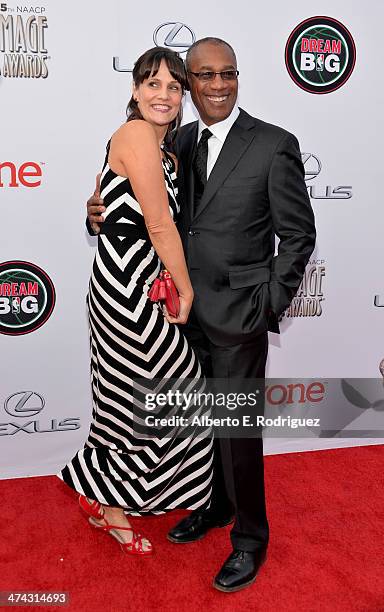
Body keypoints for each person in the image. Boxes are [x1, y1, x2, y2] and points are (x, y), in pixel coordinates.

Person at [87, 38, 316, 589]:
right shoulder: (177, 141)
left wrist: (268, 304)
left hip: (239, 315)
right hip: (179, 316)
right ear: (189, 85)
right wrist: (97, 213)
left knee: (238, 432)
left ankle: (250, 539)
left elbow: (299, 236)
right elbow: (147, 211)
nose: (218, 85)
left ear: (238, 77)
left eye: (228, 73)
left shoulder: (273, 143)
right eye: (204, 76)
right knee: (203, 425)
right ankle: (216, 507)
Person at [58, 47, 214, 556]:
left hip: (147, 282)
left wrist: (95, 214)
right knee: (134, 396)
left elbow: (111, 203)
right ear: (134, 90)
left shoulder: (167, 148)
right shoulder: (134, 135)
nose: (163, 95)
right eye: (152, 84)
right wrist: (186, 289)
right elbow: (157, 223)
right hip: (126, 289)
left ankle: (106, 495)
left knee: (146, 393)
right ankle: (112, 504)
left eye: (174, 87)